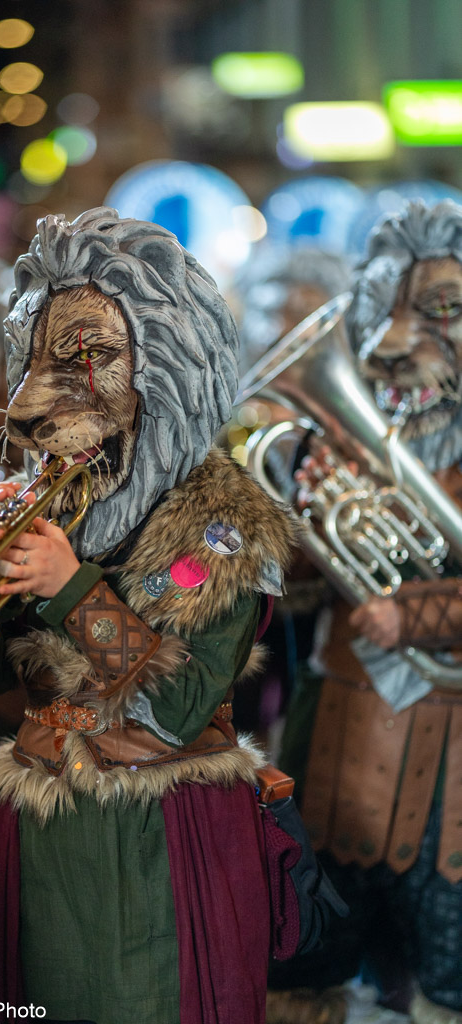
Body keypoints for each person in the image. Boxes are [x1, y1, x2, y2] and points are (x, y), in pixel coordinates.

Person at [0, 207, 299, 1024]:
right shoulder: (60, 499)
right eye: (29, 360)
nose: (24, 405)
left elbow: (174, 711)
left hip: (160, 845)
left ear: (166, 362)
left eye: (86, 355)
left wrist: (66, 584)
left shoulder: (220, 522)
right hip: (47, 834)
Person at [267, 201, 462, 1024]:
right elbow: (291, 585)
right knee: (317, 957)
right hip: (337, 735)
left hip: (448, 770)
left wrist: (410, 616)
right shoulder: (338, 444)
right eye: (381, 312)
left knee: (447, 971)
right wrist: (298, 525)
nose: (392, 344)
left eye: (441, 311)